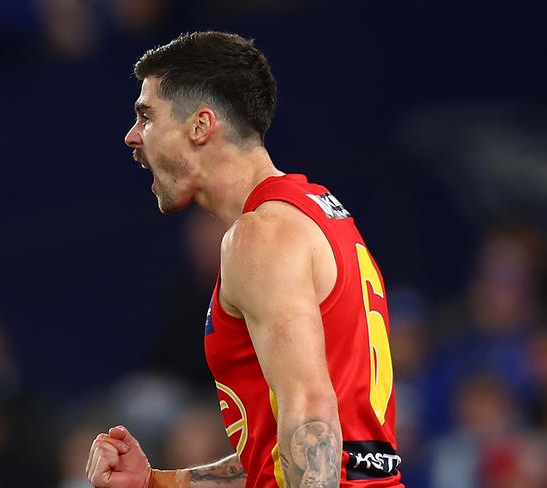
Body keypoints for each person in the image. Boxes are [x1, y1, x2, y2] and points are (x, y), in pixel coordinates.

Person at [86, 31, 403, 488]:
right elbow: (294, 453)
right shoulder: (313, 210)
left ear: (200, 125)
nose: (132, 136)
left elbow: (311, 417)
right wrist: (156, 482)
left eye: (145, 115)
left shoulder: (259, 235)